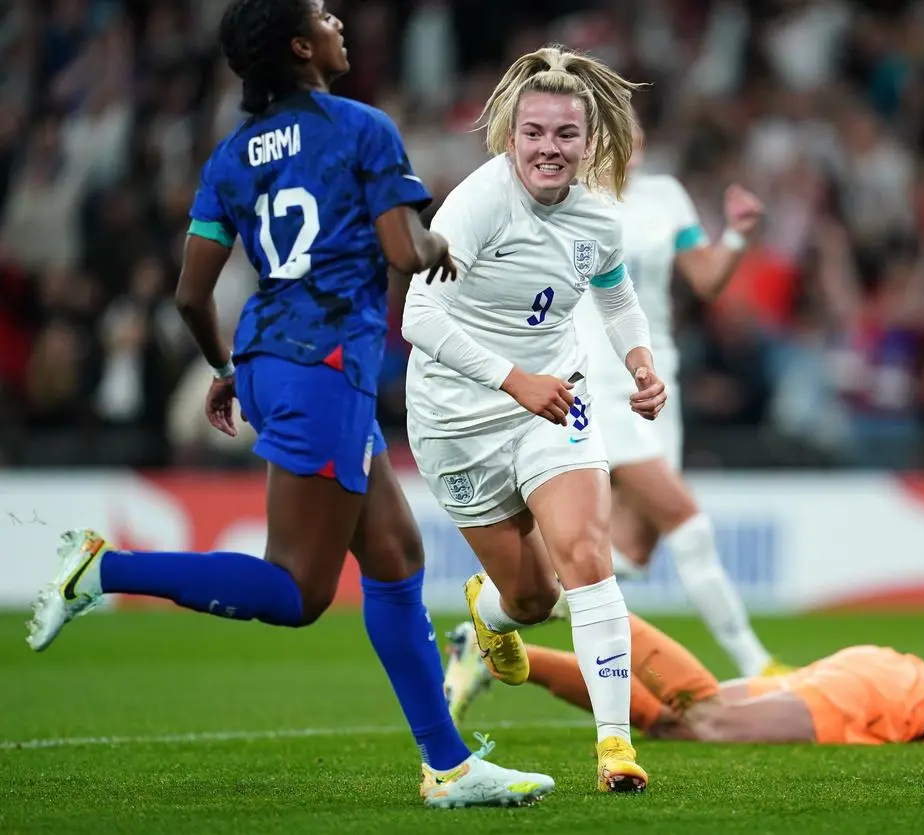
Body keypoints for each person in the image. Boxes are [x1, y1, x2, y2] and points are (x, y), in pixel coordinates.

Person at [24, 0, 553, 809]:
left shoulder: (232, 156)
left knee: (395, 556)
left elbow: (190, 295)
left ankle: (448, 767)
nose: (339, 19)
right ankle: (103, 568)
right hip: (325, 366)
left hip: (270, 361)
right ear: (302, 47)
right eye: (323, 14)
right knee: (299, 591)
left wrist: (227, 366)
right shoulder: (361, 127)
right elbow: (404, 248)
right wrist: (439, 242)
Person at [400, 45, 659, 794]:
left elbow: (614, 295)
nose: (549, 148)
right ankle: (489, 614)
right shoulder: (479, 203)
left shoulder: (599, 218)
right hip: (457, 417)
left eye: (565, 134)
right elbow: (418, 315)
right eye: (534, 132)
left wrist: (640, 361)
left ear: (588, 139)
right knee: (533, 599)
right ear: (511, 136)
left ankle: (615, 748)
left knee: (586, 554)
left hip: (554, 400)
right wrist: (515, 382)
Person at [569, 118, 786, 678]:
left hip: (661, 379)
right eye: (622, 130)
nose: (637, 139)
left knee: (631, 553)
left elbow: (707, 279)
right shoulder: (570, 200)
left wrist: (736, 234)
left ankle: (492, 616)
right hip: (602, 385)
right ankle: (757, 665)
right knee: (688, 523)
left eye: (640, 130)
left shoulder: (666, 195)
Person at [442, 612, 924, 747]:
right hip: (892, 697)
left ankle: (496, 652)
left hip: (876, 671)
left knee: (663, 722)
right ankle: (581, 590)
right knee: (706, 715)